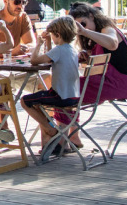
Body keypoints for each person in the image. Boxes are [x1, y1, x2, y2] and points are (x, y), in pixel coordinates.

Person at [62, 2, 127, 147]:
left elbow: (112, 44)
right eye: (78, 27)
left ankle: (62, 137)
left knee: (64, 88)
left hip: (119, 84)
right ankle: (71, 136)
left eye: (83, 23)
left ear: (92, 16)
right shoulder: (96, 35)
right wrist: (88, 56)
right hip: (110, 82)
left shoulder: (108, 29)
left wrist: (85, 32)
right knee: (66, 87)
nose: (82, 28)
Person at [20, 16, 80, 155]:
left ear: (57, 35)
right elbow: (50, 55)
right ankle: (50, 131)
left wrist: (39, 44)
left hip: (60, 96)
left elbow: (34, 60)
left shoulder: (58, 50)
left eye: (52, 35)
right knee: (36, 102)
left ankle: (49, 128)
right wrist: (48, 41)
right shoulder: (71, 49)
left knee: (25, 101)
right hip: (73, 96)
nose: (51, 37)